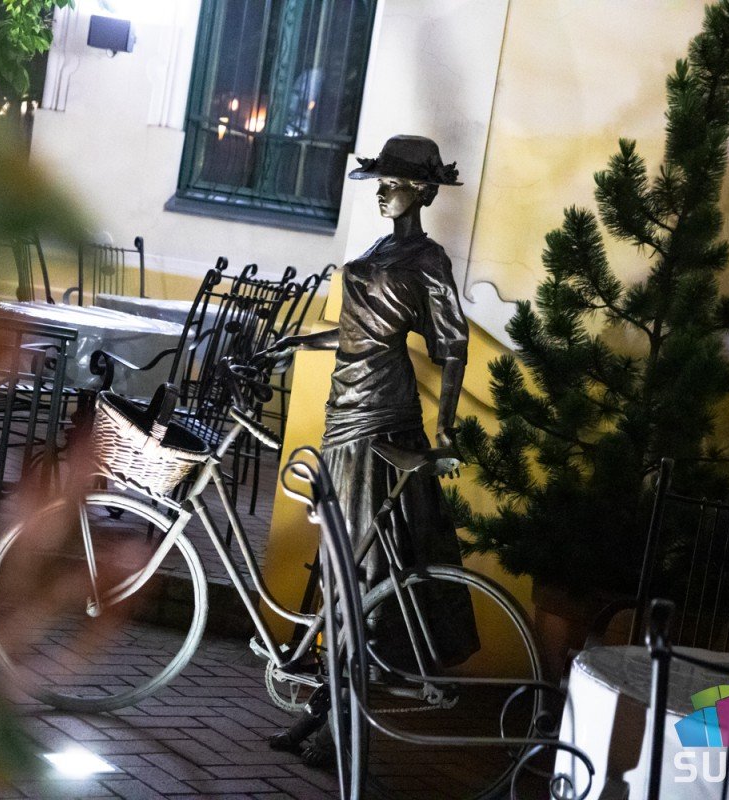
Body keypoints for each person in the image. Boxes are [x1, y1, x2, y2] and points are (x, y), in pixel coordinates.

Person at [259, 134, 480, 765]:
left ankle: (344, 725)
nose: (381, 193)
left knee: (364, 568)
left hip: (382, 418)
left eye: (392, 184)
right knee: (340, 562)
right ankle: (323, 707)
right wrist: (301, 342)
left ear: (422, 191)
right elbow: (358, 332)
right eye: (380, 183)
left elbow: (453, 346)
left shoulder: (428, 259)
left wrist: (445, 427)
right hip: (343, 412)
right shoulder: (381, 250)